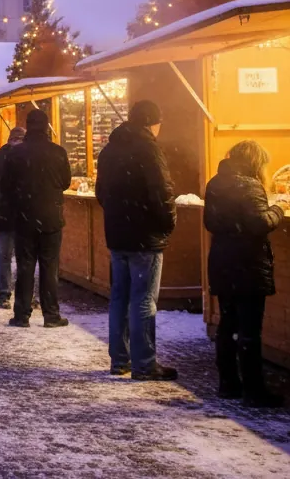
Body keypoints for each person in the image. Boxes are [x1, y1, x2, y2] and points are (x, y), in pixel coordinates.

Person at [95, 100, 177, 380]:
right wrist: (167, 223)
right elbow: (162, 191)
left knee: (119, 298)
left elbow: (101, 192)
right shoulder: (149, 149)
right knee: (143, 300)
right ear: (152, 123)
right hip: (145, 236)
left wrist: (118, 216)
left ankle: (120, 360)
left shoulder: (109, 150)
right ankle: (144, 364)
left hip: (117, 235)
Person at [206, 140, 287, 407]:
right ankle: (254, 390)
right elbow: (259, 223)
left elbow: (210, 221)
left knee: (228, 324)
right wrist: (279, 209)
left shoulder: (215, 183)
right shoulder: (250, 185)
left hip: (222, 261)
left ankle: (228, 384)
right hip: (247, 263)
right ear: (256, 162)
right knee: (250, 329)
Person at [3, 111, 72, 328]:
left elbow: (6, 185)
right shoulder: (58, 152)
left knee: (25, 267)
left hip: (24, 219)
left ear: (28, 126)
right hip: (51, 218)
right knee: (50, 268)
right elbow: (66, 182)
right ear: (46, 126)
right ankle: (51, 314)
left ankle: (22, 314)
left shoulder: (15, 154)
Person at [0, 126, 23, 308]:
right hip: (24, 216)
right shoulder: (25, 156)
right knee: (25, 257)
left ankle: (4, 294)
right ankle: (25, 294)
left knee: (4, 257)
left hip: (3, 215)